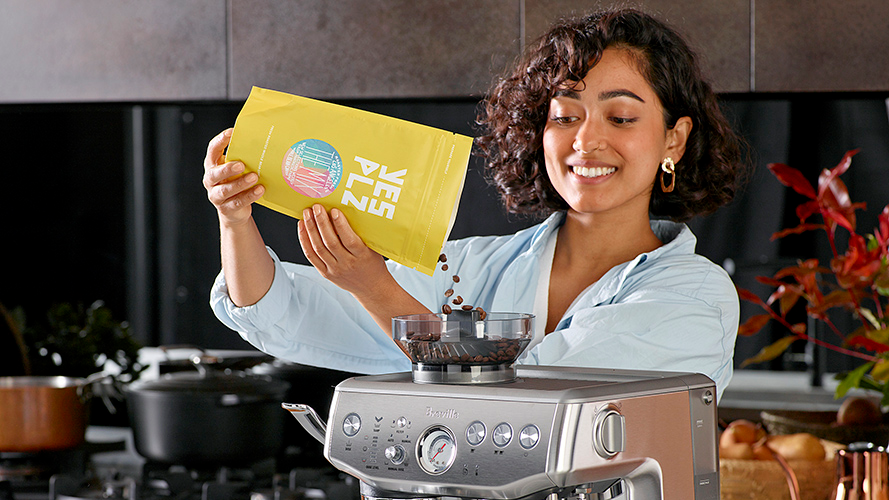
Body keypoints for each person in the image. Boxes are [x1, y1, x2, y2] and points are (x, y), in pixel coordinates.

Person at [203, 8, 748, 401]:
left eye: (621, 118)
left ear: (673, 139)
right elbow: (286, 310)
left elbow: (527, 394)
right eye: (564, 116)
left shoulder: (694, 294)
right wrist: (235, 217)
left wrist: (374, 287)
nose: (586, 141)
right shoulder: (468, 270)